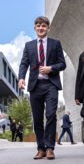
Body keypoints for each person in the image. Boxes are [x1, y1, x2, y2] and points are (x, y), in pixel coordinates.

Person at [18, 16, 66, 160]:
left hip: (51, 84)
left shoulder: (55, 44)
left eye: (43, 26)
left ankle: (50, 148)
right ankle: (41, 148)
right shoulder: (29, 45)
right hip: (35, 86)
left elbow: (62, 64)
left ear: (48, 28)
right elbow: (23, 63)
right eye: (38, 25)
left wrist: (51, 68)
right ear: (35, 28)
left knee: (51, 115)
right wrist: (21, 78)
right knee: (37, 119)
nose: (41, 28)